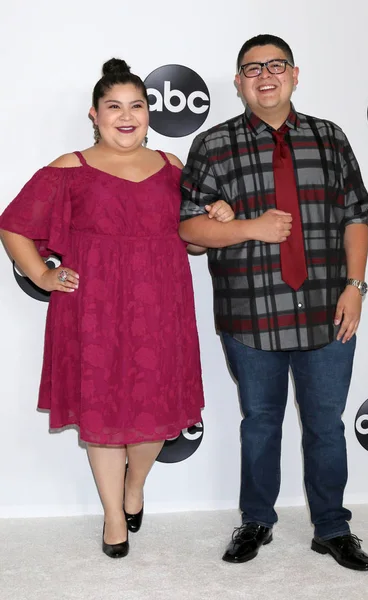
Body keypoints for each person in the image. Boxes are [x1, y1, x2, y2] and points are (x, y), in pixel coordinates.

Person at [0, 58, 233, 559]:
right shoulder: (69, 169)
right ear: (94, 114)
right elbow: (13, 224)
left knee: (154, 413)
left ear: (149, 114)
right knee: (102, 413)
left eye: (137, 106)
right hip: (94, 309)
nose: (126, 116)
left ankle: (134, 487)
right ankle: (112, 515)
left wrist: (218, 214)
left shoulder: (175, 169)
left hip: (161, 305)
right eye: (114, 107)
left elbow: (192, 243)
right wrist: (41, 273)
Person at [179, 34, 368, 571]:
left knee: (326, 424)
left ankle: (332, 527)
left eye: (275, 65)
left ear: (294, 74)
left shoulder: (330, 138)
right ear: (240, 81)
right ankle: (257, 520)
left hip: (327, 309)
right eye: (251, 68)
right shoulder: (213, 145)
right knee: (260, 420)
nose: (264, 75)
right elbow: (191, 230)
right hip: (250, 310)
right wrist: (250, 228)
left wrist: (354, 288)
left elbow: (356, 216)